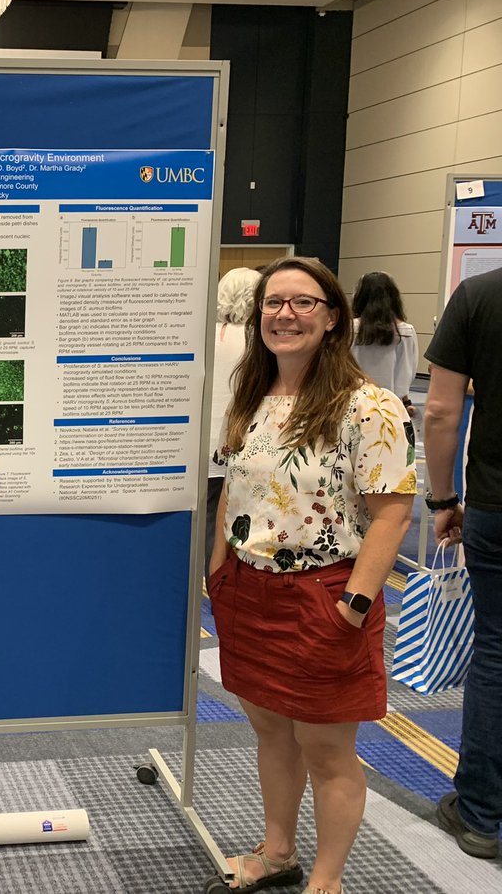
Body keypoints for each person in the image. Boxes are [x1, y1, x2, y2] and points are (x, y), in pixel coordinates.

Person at [209, 256, 415, 894]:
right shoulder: (252, 394)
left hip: (326, 594)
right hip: (248, 592)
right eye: (273, 302)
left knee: (327, 750)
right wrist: (219, 568)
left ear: (331, 318)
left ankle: (327, 881)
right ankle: (278, 852)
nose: (285, 314)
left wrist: (354, 605)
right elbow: (233, 486)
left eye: (303, 303)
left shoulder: (368, 406)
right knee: (271, 731)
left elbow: (392, 512)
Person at [424, 264, 502, 860]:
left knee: (496, 653)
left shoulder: (479, 294)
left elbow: (441, 412)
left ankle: (481, 814)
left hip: (498, 505)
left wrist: (443, 500)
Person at [206, 267, 260, 560]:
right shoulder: (260, 341)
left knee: (207, 527)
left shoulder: (203, 335)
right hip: (243, 445)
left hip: (202, 449)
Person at [350, 271, 418, 414]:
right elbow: (407, 375)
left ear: (360, 296)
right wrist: (406, 402)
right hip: (392, 409)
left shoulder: (348, 329)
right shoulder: (406, 332)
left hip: (353, 404)